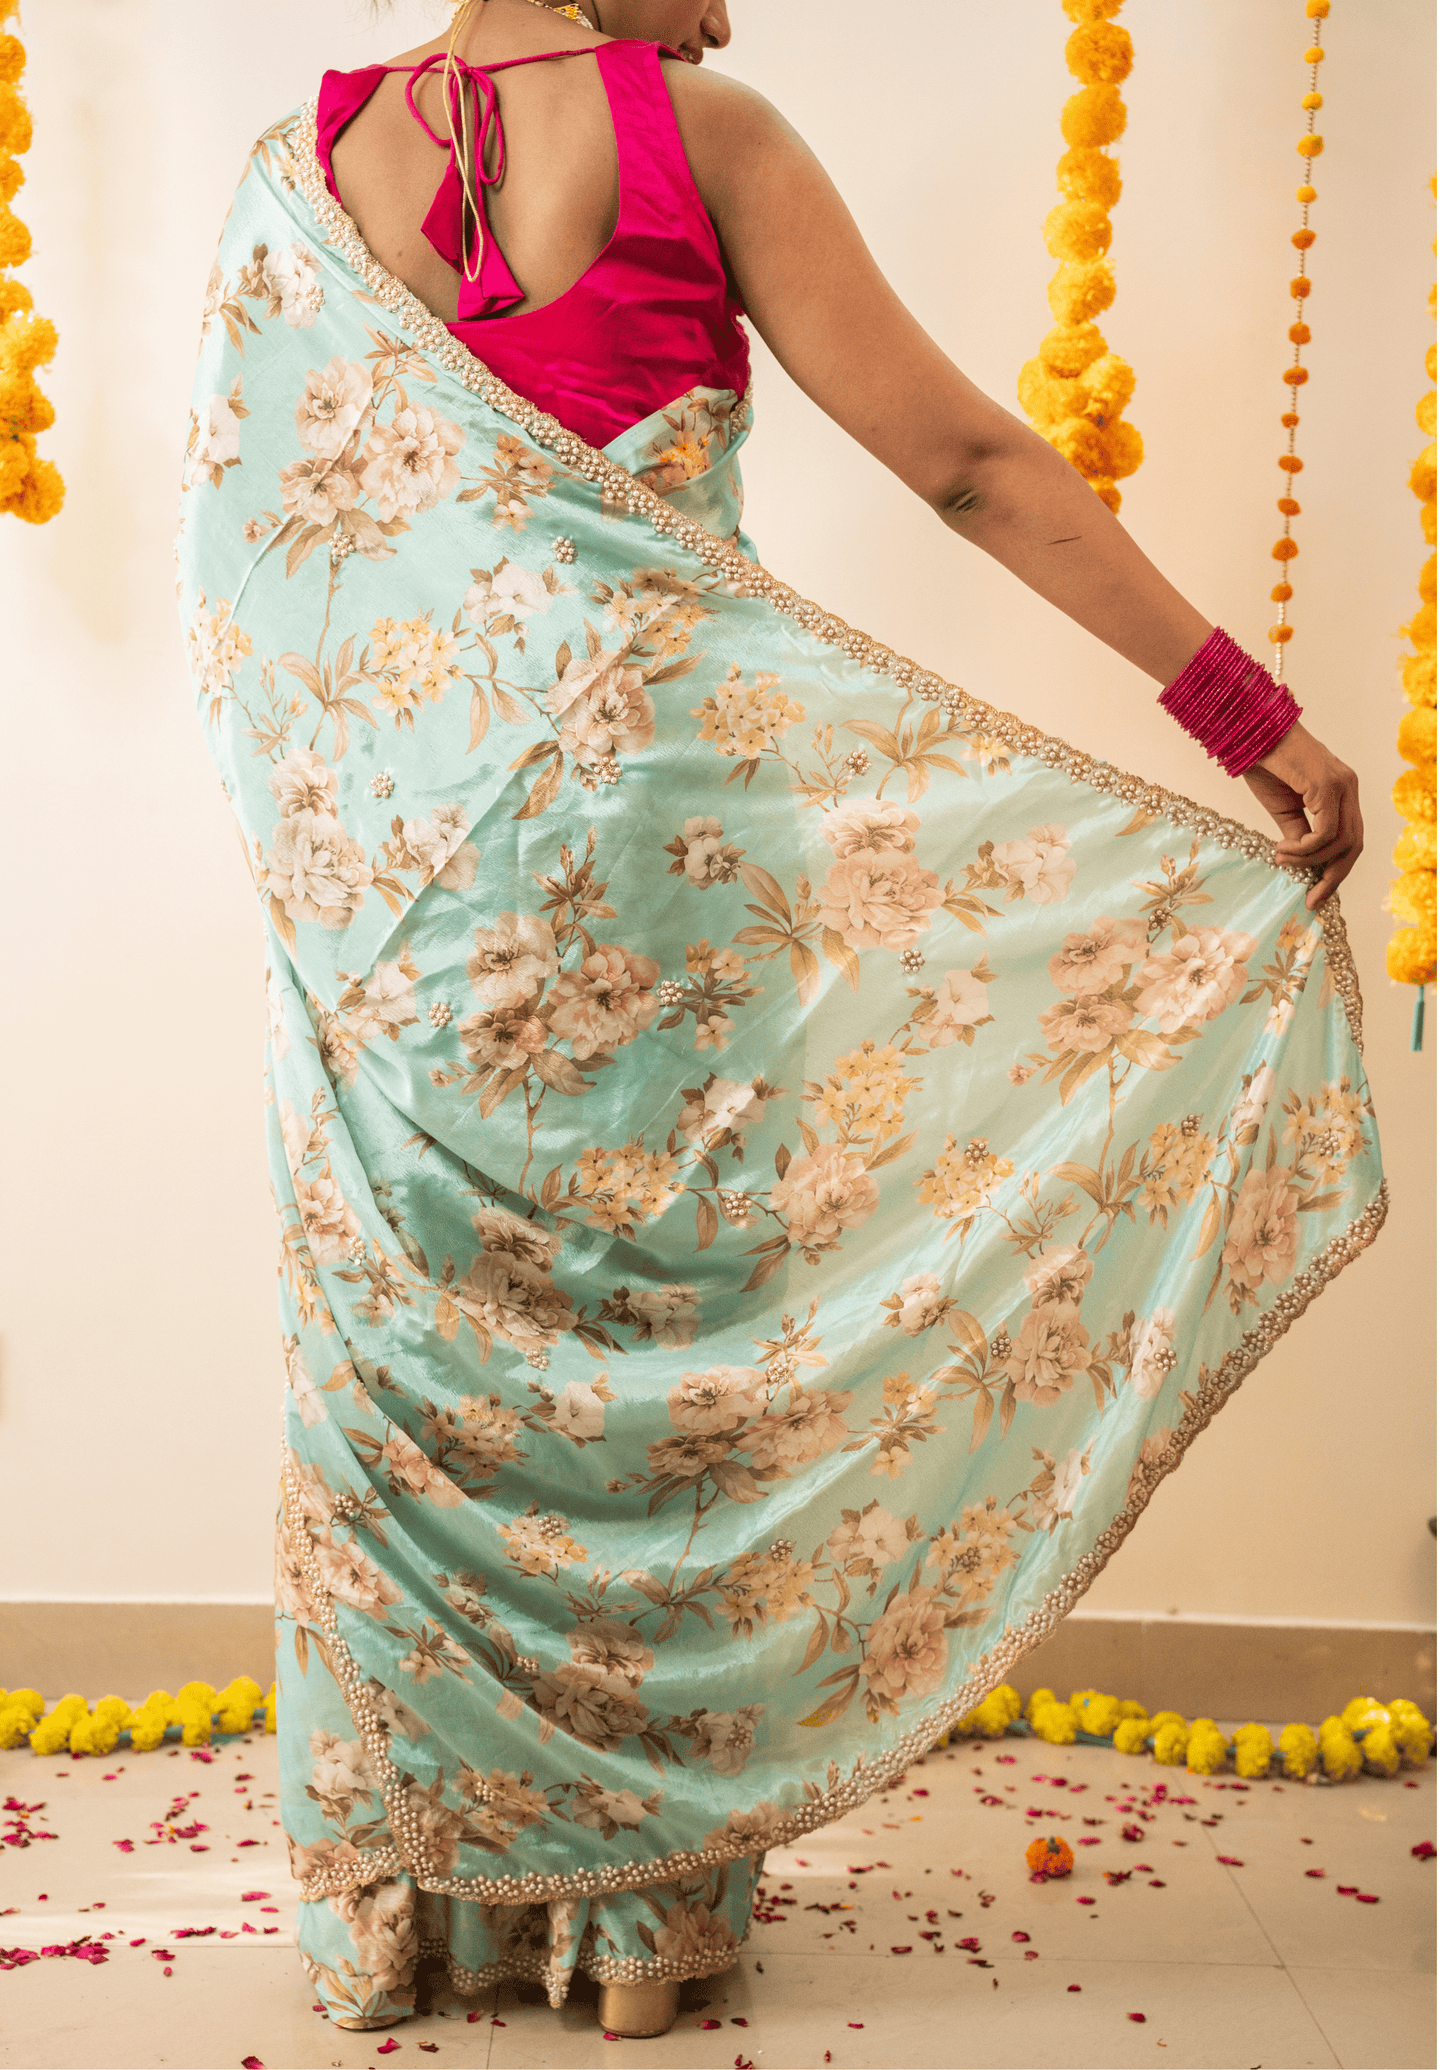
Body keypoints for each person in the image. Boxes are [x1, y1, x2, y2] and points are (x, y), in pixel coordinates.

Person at [178, 0, 1381, 2040]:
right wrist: (1241, 714)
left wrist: (341, 901)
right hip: (667, 893)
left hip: (394, 913)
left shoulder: (298, 183)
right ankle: (637, 1928)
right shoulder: (697, 134)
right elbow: (966, 463)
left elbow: (263, 595)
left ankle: (407, 1916)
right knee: (662, 1358)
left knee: (418, 1360)